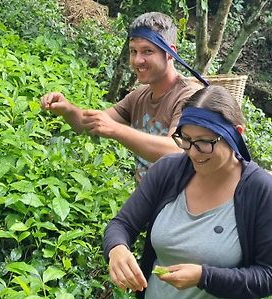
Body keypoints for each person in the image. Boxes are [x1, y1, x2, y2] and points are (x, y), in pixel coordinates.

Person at [103, 85, 272, 299]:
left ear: (236, 134)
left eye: (204, 142)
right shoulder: (169, 170)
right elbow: (122, 224)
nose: (193, 152)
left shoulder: (261, 191)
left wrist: (204, 277)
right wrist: (116, 248)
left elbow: (267, 275)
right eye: (186, 139)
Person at [40, 12, 205, 180]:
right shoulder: (139, 96)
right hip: (148, 199)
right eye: (134, 51)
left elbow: (178, 150)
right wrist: (67, 109)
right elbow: (89, 125)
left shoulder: (191, 96)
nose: (138, 60)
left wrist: (115, 129)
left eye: (148, 51)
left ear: (170, 52)